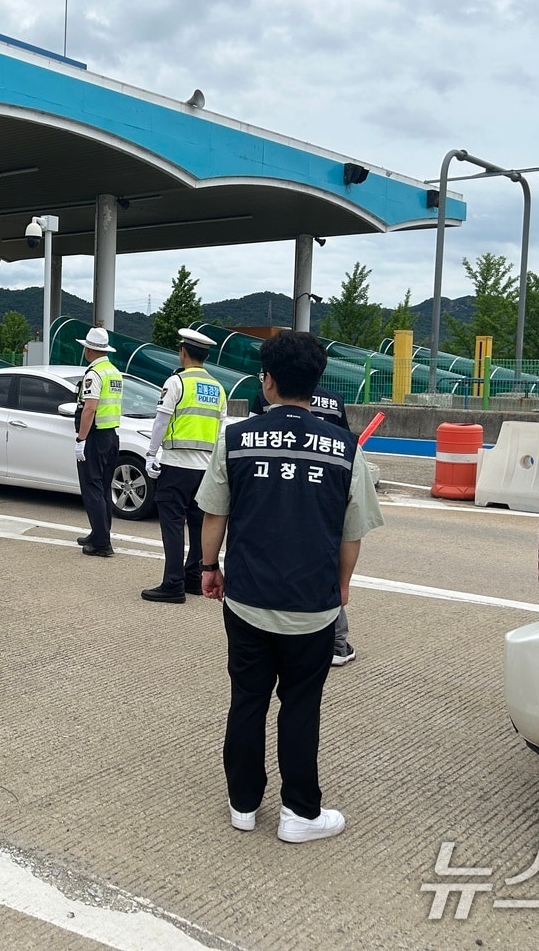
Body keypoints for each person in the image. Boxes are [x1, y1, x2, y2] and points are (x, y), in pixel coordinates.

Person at [196, 331, 383, 843]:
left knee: (247, 698)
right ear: (317, 383)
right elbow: (352, 533)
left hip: (247, 598)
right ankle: (300, 813)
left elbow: (215, 512)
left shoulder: (236, 438)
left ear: (269, 382)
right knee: (301, 705)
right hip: (312, 606)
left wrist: (209, 567)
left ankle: (243, 804)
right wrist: (341, 587)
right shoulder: (346, 449)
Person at [258, 380, 358, 667]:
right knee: (324, 565)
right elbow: (344, 436)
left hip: (272, 484)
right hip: (321, 486)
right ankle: (337, 643)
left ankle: (272, 635)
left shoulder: (264, 396)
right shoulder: (334, 399)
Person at [140, 328, 227, 603]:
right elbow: (221, 430)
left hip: (176, 464)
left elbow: (161, 421)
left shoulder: (177, 383)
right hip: (206, 469)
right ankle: (192, 577)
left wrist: (151, 454)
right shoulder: (218, 388)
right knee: (200, 524)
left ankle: (173, 583)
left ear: (183, 352)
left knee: (173, 524)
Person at [72, 326, 123, 557]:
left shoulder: (94, 374)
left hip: (95, 435)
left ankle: (102, 543)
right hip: (111, 436)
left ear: (89, 349)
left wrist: (81, 438)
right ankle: (100, 532)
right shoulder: (113, 371)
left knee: (91, 488)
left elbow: (89, 408)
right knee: (103, 488)